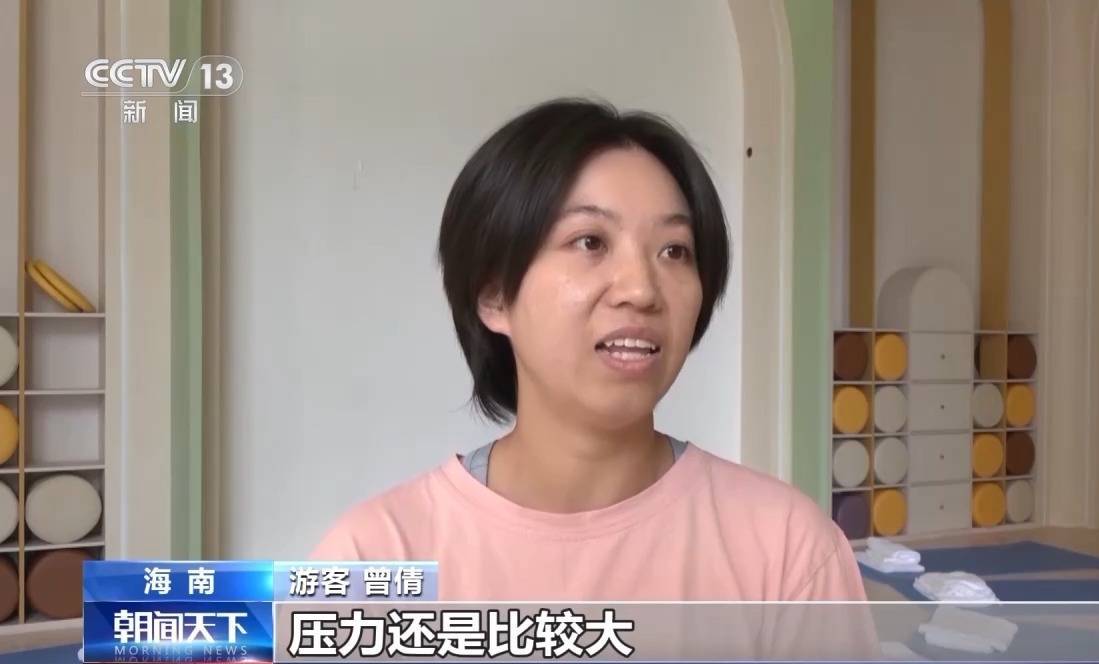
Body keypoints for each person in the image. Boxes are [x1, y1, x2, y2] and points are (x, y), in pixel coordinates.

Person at [311, 98, 870, 607]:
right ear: (494, 295)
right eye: (590, 242)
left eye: (675, 251)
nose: (642, 289)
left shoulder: (789, 552)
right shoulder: (370, 561)